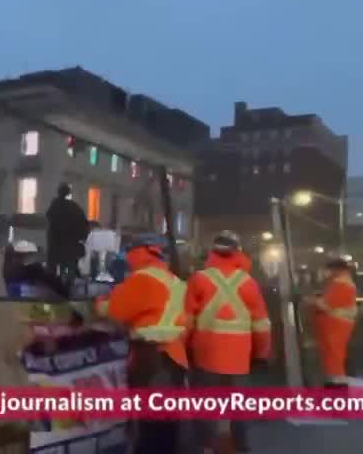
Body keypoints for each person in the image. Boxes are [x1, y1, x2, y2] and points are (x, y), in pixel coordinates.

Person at [94, 233, 188, 454]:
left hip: (152, 358)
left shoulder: (143, 278)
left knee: (150, 422)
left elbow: (115, 310)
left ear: (137, 253)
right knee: (167, 420)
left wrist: (99, 302)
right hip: (175, 356)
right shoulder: (173, 280)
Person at [186, 231, 272, 454]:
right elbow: (261, 323)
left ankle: (205, 448)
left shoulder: (200, 279)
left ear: (212, 252)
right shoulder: (249, 283)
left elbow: (186, 320)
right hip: (239, 358)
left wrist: (184, 348)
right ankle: (242, 448)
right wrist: (262, 353)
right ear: (238, 252)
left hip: (206, 355)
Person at [303, 257, 358, 388]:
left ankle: (338, 385)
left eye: (328, 269)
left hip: (337, 324)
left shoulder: (340, 283)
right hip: (338, 323)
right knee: (333, 354)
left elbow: (326, 305)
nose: (326, 272)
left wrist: (309, 300)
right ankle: (335, 382)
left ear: (335, 269)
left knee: (334, 354)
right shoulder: (343, 282)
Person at [45, 183, 90, 283]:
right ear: (68, 193)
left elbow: (49, 220)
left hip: (56, 243)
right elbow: (84, 224)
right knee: (69, 267)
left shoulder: (55, 206)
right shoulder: (74, 207)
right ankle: (67, 284)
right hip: (70, 244)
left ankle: (54, 285)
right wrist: (81, 237)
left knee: (53, 267)